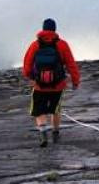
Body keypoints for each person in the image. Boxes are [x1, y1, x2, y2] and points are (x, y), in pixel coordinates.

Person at [23, 18, 80, 147]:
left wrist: (30, 77)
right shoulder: (62, 45)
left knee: (39, 110)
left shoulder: (35, 45)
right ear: (55, 29)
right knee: (55, 110)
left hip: (39, 86)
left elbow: (27, 64)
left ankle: (43, 135)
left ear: (43, 29)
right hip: (58, 85)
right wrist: (75, 81)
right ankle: (55, 133)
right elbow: (71, 64)